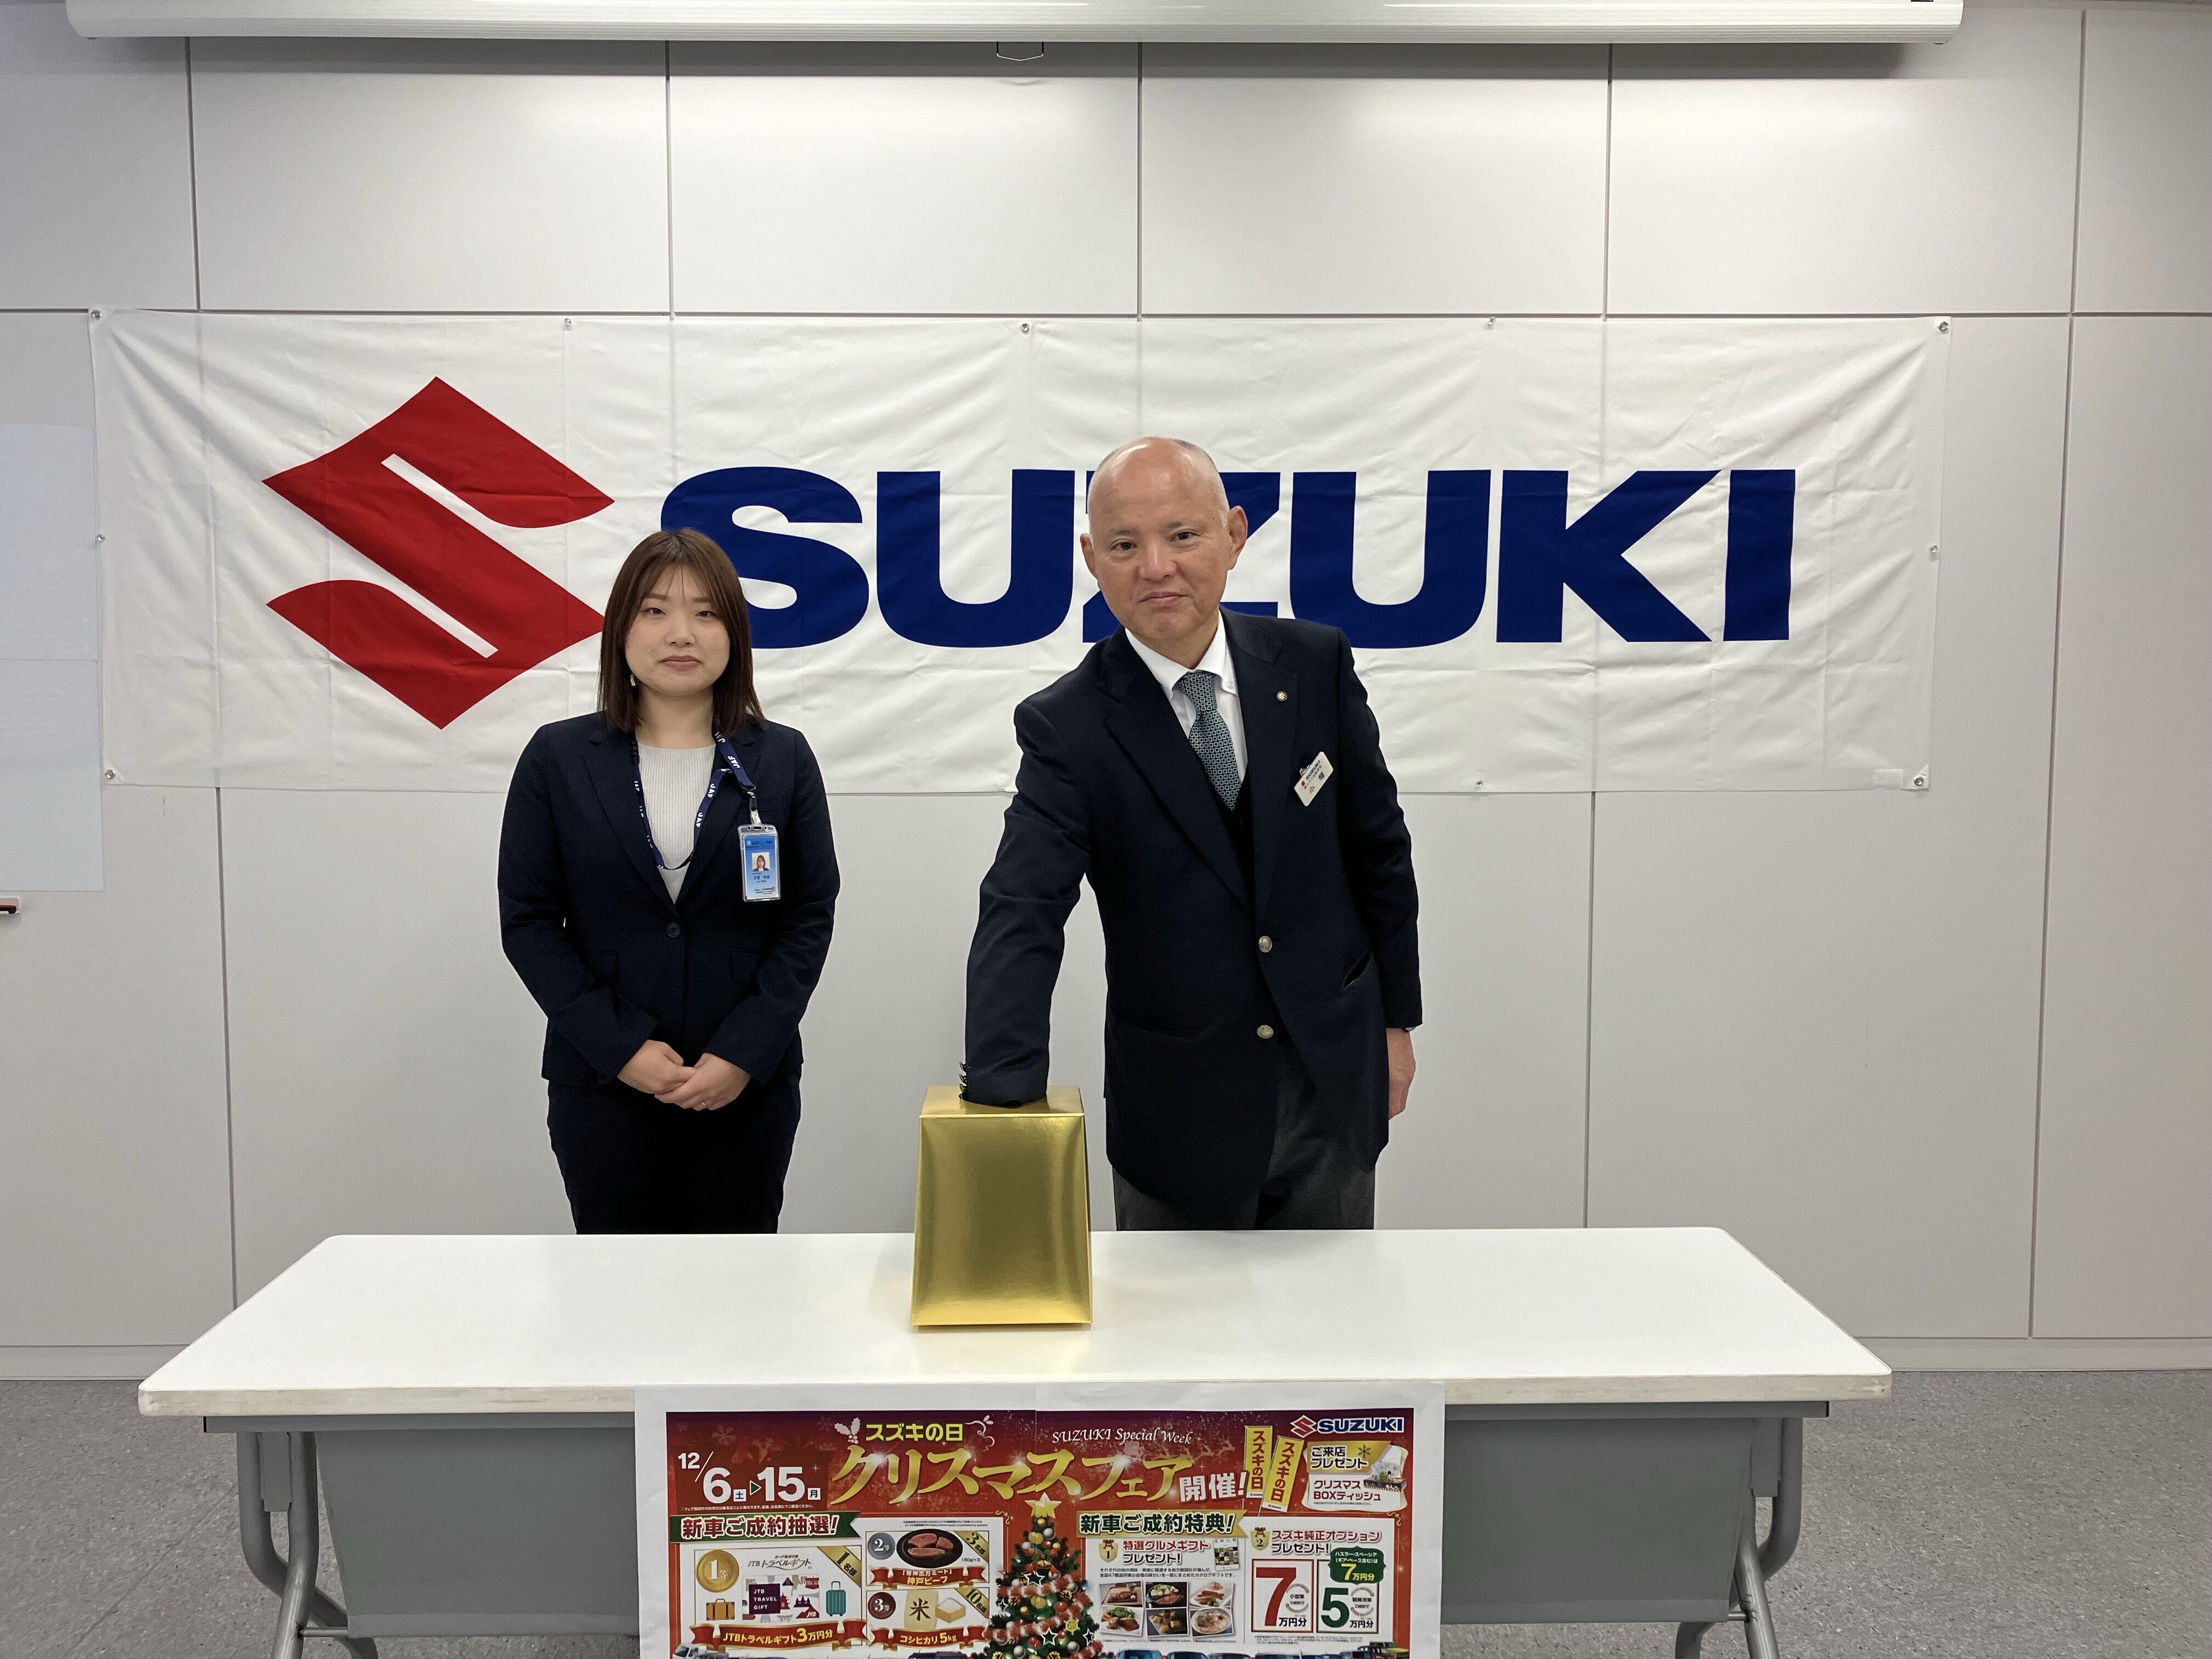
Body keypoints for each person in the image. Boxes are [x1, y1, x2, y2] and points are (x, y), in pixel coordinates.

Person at [962, 437, 1420, 1229]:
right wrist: (1005, 1103)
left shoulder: (1315, 665)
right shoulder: (1067, 725)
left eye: (1182, 535)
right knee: (1175, 1315)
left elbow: (1378, 849)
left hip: (1331, 1088)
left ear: (1234, 534)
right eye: (1124, 546)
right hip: (1177, 1114)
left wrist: (1395, 1022)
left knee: (1336, 1307)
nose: (1156, 567)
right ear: (1091, 559)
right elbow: (1022, 910)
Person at [498, 528, 838, 1233]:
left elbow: (808, 916)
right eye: (655, 610)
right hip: (602, 1084)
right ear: (621, 629)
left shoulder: (783, 759)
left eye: (706, 612)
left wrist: (742, 1053)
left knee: (736, 1285)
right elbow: (528, 923)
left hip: (745, 1087)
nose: (681, 632)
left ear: (734, 633)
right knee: (616, 1287)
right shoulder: (558, 758)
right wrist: (620, 1047)